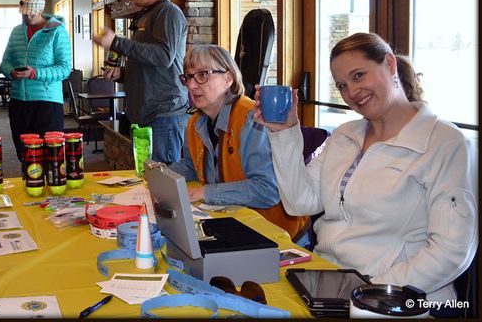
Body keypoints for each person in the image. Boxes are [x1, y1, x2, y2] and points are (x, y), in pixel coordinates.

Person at [254, 32, 477, 306]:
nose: (351, 92)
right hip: (329, 281)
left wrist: (371, 293)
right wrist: (285, 133)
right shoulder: (345, 135)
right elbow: (300, 202)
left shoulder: (445, 143)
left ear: (391, 65)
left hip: (398, 298)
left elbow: (451, 251)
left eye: (358, 75)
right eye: (342, 85)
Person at [167, 44, 309, 243]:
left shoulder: (252, 118)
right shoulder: (194, 122)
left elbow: (267, 190)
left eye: (202, 75)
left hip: (276, 233)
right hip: (232, 222)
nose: (191, 85)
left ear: (228, 78)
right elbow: (192, 167)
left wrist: (205, 192)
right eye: (188, 77)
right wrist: (162, 177)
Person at [92, 0, 189, 164]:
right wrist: (123, 74)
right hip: (144, 113)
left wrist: (116, 42)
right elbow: (148, 63)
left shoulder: (169, 13)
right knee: (148, 176)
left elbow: (164, 57)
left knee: (164, 179)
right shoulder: (145, 15)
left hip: (163, 113)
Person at [0, 0, 72, 160]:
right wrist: (10, 71)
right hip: (19, 102)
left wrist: (35, 73)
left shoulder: (57, 31)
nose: (27, 17)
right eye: (24, 13)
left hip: (47, 103)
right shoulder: (17, 31)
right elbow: (5, 62)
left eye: (30, 13)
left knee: (50, 155)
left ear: (41, 9)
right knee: (25, 154)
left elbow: (64, 68)